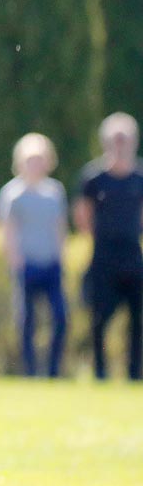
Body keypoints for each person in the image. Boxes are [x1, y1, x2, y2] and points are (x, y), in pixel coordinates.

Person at [74, 113, 143, 381]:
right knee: (99, 318)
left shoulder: (139, 177)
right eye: (115, 140)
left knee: (137, 319)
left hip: (131, 254)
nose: (120, 145)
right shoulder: (93, 178)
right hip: (103, 255)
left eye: (125, 139)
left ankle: (134, 373)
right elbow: (82, 215)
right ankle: (100, 372)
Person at [0, 133, 69, 378]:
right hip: (26, 265)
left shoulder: (54, 192)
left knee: (60, 318)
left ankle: (52, 370)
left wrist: (62, 257)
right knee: (27, 322)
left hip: (51, 264)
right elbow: (7, 230)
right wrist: (15, 260)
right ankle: (29, 371)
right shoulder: (12, 194)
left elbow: (60, 227)